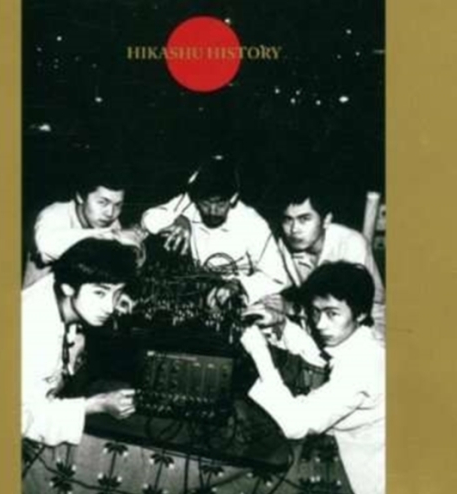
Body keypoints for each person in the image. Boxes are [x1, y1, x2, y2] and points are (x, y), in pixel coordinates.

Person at [241, 262, 385, 494]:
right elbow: (321, 358)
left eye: (332, 314)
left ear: (360, 313)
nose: (319, 324)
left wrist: (259, 352)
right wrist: (281, 325)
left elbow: (296, 425)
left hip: (372, 481)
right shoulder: (362, 341)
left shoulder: (363, 364)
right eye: (316, 312)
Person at [22, 238, 139, 446]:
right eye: (99, 293)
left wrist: (112, 293)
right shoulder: (33, 333)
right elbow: (23, 419)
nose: (109, 307)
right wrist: (98, 404)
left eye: (117, 293)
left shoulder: (57, 286)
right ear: (68, 288)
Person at [141, 155, 289, 307]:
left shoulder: (253, 224)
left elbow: (276, 277)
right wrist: (179, 219)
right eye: (206, 203)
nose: (212, 211)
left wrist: (239, 286)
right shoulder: (190, 204)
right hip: (195, 294)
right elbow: (147, 220)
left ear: (233, 198)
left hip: (235, 298)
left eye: (220, 204)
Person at [273, 181, 385, 338]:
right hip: (321, 320)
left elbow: (347, 311)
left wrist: (293, 308)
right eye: (287, 220)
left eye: (304, 219)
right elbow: (278, 283)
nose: (294, 229)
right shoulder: (285, 244)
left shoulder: (351, 243)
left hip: (367, 324)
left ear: (326, 220)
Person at [23, 164, 144, 288]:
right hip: (37, 296)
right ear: (80, 197)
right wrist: (114, 236)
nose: (110, 212)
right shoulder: (54, 213)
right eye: (102, 202)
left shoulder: (110, 221)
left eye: (118, 205)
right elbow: (46, 248)